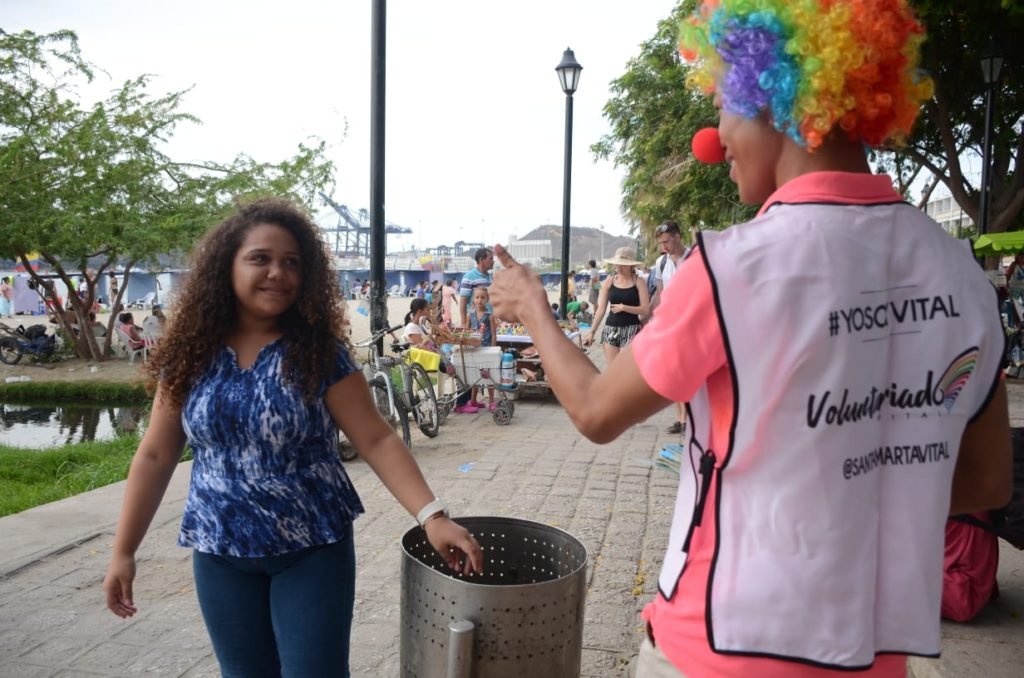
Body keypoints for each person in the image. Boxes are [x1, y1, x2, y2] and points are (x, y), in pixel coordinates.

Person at [488, 2, 1012, 676]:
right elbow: (986, 481)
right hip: (872, 656)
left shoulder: (733, 267)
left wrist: (532, 306)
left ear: (775, 97)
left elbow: (594, 410)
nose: (716, 137)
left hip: (719, 647)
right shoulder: (961, 273)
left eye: (726, 104)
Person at [103, 199, 483, 677]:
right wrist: (123, 552)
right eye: (260, 258)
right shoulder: (189, 356)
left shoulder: (319, 354)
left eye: (291, 263)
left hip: (312, 550)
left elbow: (376, 439)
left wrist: (432, 516)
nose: (277, 273)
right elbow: (157, 454)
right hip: (220, 552)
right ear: (227, 266)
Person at [650, 221, 689, 435]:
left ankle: (690, 418)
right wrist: (648, 316)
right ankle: (680, 418)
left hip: (690, 323)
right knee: (673, 373)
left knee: (687, 373)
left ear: (677, 236)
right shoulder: (661, 263)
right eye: (661, 243)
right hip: (670, 324)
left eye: (666, 241)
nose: (664, 246)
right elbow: (660, 293)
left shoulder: (695, 257)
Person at [403, 297, 471, 414]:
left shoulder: (419, 325)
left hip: (433, 357)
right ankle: (461, 403)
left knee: (461, 365)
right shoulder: (411, 328)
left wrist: (434, 333)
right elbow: (422, 348)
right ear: (420, 311)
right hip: (427, 361)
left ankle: (463, 400)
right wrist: (432, 341)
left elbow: (430, 342)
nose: (429, 311)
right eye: (427, 309)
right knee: (459, 368)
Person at [584, 247, 649, 366]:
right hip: (611, 329)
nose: (618, 268)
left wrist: (624, 308)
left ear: (631, 266)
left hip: (632, 330)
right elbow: (601, 309)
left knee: (626, 368)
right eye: (617, 264)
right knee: (612, 368)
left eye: (622, 265)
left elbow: (645, 309)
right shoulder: (610, 281)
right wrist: (592, 332)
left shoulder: (639, 282)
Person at [467, 286, 498, 411]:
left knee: (488, 375)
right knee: (475, 375)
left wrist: (493, 349)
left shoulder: (489, 316)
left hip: (487, 350)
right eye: (477, 297)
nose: (479, 300)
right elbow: (466, 331)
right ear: (473, 299)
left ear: (487, 299)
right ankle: (473, 400)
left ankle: (491, 401)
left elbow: (494, 334)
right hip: (474, 349)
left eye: (482, 297)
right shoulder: (470, 315)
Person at [459, 247, 494, 327]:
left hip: (488, 322)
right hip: (474, 323)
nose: (493, 262)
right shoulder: (469, 276)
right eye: (490, 259)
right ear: (482, 260)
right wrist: (464, 323)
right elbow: (463, 301)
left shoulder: (490, 277)